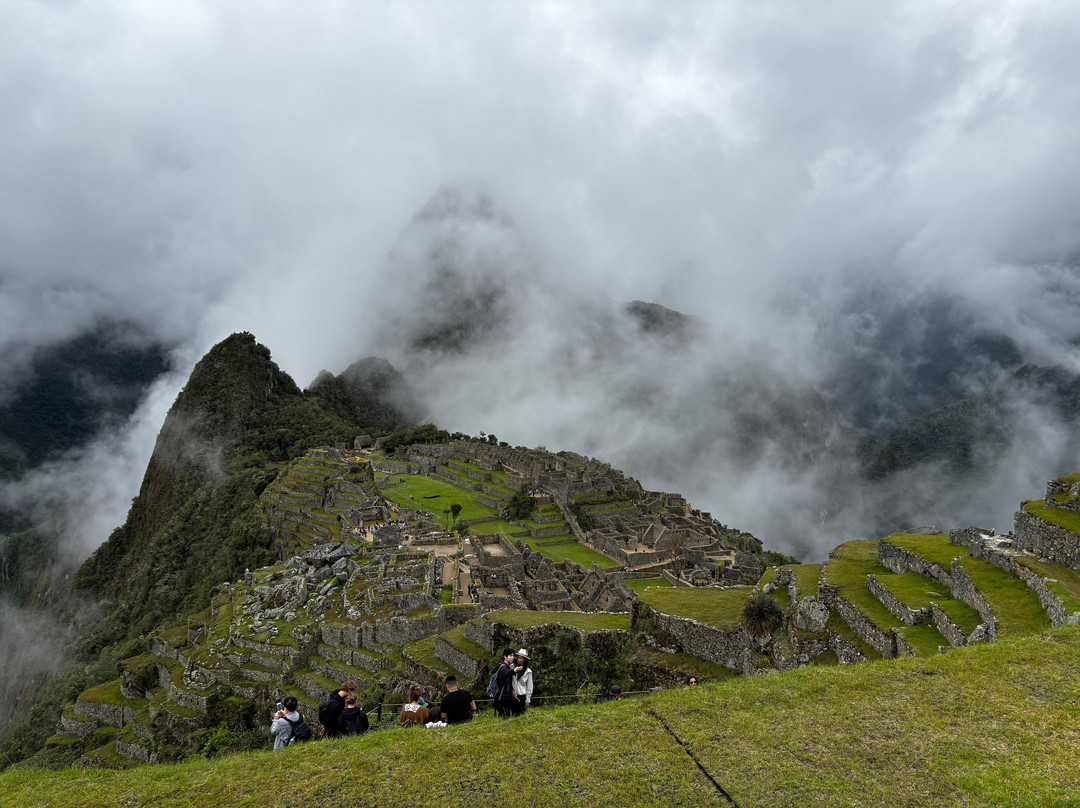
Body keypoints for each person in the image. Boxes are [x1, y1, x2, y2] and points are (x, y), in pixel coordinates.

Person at [492, 648, 519, 718]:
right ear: (505, 656)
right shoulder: (503, 668)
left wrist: (512, 691)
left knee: (506, 717)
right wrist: (515, 670)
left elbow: (505, 681)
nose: (512, 657)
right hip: (502, 697)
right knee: (504, 717)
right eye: (510, 656)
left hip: (504, 696)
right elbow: (507, 673)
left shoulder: (506, 667)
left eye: (513, 656)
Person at [511, 648, 533, 715]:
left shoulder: (528, 672)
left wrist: (527, 701)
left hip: (522, 696)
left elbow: (529, 687)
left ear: (525, 660)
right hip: (512, 695)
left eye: (521, 658)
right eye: (518, 657)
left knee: (521, 716)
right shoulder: (512, 667)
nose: (519, 659)